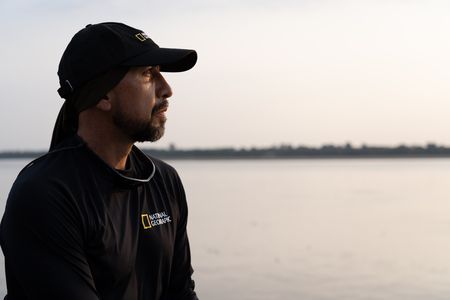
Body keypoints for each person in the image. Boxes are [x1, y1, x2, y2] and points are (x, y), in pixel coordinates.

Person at [0, 22, 199, 300]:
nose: (166, 89)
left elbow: (181, 291)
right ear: (103, 94)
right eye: (147, 74)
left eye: (160, 74)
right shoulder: (45, 195)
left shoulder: (164, 180)